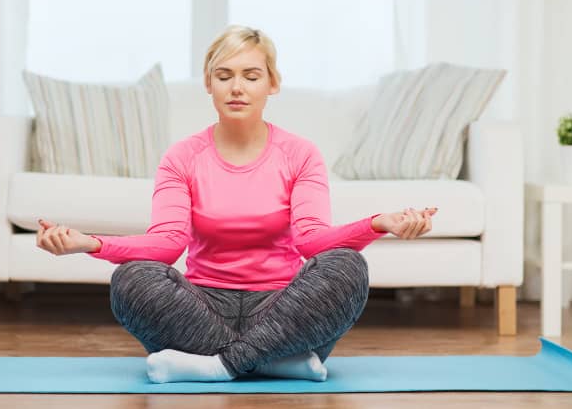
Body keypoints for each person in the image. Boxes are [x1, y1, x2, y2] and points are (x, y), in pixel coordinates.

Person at [36, 25, 437, 384]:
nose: (237, 87)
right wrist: (90, 244)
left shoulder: (300, 154)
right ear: (209, 84)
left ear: (272, 84)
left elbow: (312, 242)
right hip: (202, 310)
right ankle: (275, 364)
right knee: (131, 278)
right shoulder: (182, 156)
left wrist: (379, 223)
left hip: (285, 311)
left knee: (348, 265)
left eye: (251, 75)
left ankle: (218, 367)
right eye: (224, 76)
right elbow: (167, 245)